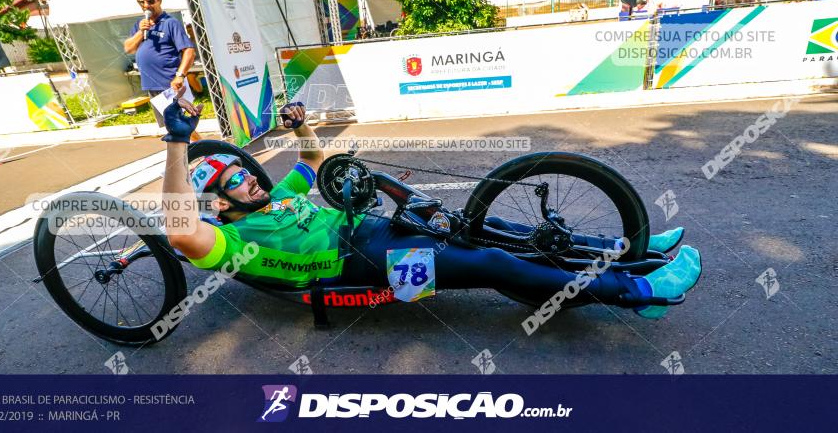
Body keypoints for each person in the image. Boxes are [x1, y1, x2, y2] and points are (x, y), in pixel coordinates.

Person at [159, 99, 702, 322]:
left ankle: (625, 253)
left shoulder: (276, 198)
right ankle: (644, 294)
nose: (253, 181)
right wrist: (176, 145)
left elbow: (313, 163)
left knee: (489, 227)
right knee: (490, 264)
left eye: (250, 174)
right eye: (238, 181)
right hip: (365, 269)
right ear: (220, 203)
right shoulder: (226, 243)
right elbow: (180, 233)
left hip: (373, 227)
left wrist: (300, 123)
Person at [123, 0, 196, 129]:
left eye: (150, 1)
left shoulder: (170, 23)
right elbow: (129, 48)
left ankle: (204, 150)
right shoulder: (140, 24)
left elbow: (189, 51)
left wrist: (180, 75)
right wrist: (140, 32)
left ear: (159, 0)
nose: (146, 5)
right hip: (152, 84)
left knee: (181, 125)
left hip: (169, 83)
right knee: (170, 125)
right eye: (141, 2)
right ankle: (188, 151)